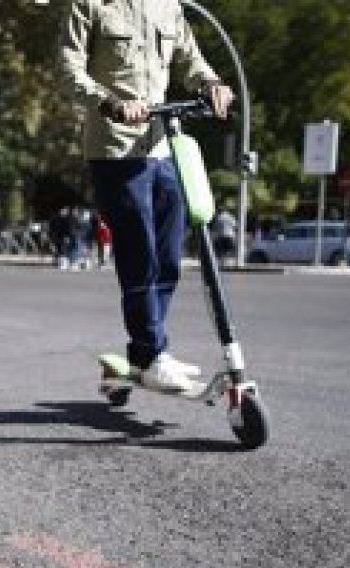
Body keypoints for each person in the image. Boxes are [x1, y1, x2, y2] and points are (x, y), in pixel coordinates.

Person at [60, 0, 233, 392]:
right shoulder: (89, 5)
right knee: (141, 256)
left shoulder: (168, 6)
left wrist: (211, 84)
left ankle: (144, 353)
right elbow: (69, 70)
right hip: (114, 150)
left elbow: (191, 58)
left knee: (169, 257)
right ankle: (153, 352)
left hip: (161, 146)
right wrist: (111, 103)